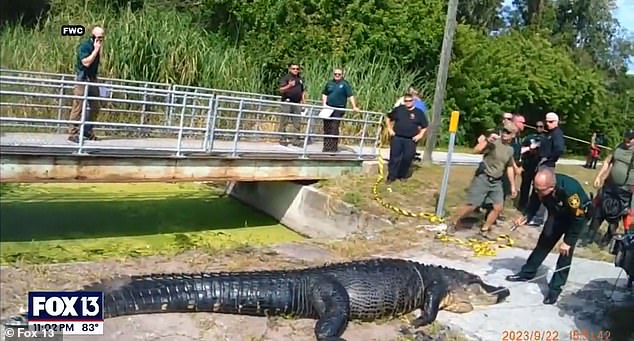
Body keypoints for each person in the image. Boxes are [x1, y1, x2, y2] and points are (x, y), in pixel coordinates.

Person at [506, 168, 591, 304]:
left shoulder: (570, 192)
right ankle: (527, 272)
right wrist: (528, 215)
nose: (537, 192)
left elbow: (579, 218)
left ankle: (555, 289)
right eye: (536, 188)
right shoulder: (540, 187)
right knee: (544, 242)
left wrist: (568, 241)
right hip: (557, 214)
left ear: (552, 187)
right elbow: (534, 201)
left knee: (565, 253)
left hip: (575, 218)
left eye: (541, 190)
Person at [448, 121, 518, 237]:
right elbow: (476, 150)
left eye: (508, 132)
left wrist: (513, 186)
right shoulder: (494, 142)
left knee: (498, 207)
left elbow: (509, 167)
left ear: (513, 135)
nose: (504, 133)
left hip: (496, 181)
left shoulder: (510, 149)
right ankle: (453, 222)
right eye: (504, 130)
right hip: (483, 177)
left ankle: (484, 230)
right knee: (472, 205)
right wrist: (487, 140)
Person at [585, 129, 634, 244]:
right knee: (599, 209)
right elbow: (608, 161)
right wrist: (599, 176)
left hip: (626, 188)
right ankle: (590, 236)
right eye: (627, 137)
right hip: (610, 185)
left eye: (631, 138)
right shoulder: (619, 147)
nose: (627, 140)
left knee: (616, 214)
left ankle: (608, 238)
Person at [68, 26, 105, 143]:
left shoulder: (97, 46)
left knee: (95, 106)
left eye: (102, 38)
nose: (99, 40)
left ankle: (87, 130)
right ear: (92, 36)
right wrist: (95, 50)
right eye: (97, 37)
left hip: (92, 79)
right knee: (78, 105)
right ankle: (73, 132)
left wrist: (98, 50)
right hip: (82, 78)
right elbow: (86, 63)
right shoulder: (85, 46)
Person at [384, 93, 428, 183]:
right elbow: (388, 117)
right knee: (394, 158)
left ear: (413, 101)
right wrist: (389, 129)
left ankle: (402, 175)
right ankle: (391, 177)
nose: (408, 102)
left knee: (407, 158)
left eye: (409, 101)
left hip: (410, 140)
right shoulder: (399, 110)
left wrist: (420, 135)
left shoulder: (419, 113)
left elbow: (425, 126)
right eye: (406, 101)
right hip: (397, 138)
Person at [321, 68, 359, 153]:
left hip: (339, 108)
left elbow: (350, 95)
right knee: (327, 127)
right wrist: (324, 104)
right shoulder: (329, 83)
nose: (337, 76)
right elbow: (324, 93)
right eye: (335, 74)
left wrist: (354, 106)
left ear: (342, 75)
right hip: (328, 108)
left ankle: (333, 148)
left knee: (334, 127)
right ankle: (326, 147)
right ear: (333, 74)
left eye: (339, 74)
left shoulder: (345, 84)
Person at [517, 121, 546, 211]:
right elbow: (521, 149)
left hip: (539, 165)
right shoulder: (529, 138)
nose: (539, 128)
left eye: (541, 126)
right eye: (537, 126)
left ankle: (533, 206)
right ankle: (522, 204)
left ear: (544, 127)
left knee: (537, 187)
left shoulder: (546, 139)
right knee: (525, 185)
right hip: (528, 164)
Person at [277, 63, 306, 147]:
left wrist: (304, 101)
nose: (295, 70)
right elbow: (280, 90)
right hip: (287, 101)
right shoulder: (286, 78)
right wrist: (289, 86)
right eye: (293, 68)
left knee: (297, 122)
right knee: (284, 121)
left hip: (297, 103)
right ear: (290, 69)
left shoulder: (300, 79)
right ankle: (282, 138)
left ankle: (296, 140)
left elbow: (303, 91)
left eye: (297, 69)